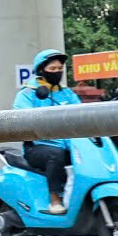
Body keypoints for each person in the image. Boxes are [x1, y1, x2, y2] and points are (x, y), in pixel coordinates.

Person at [15, 49, 81, 213]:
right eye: (53, 69)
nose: (57, 72)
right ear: (41, 70)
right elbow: (21, 119)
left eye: (60, 69)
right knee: (55, 154)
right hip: (37, 147)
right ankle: (55, 199)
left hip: (69, 145)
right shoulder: (28, 93)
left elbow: (83, 114)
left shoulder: (67, 94)